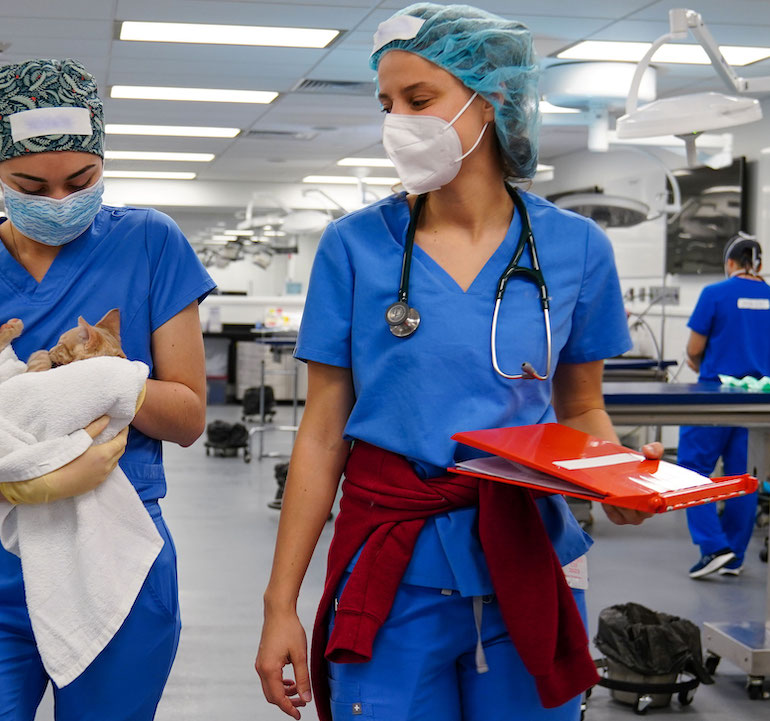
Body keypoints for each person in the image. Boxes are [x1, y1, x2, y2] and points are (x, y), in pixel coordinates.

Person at [255, 6, 660, 721]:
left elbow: (581, 407)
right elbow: (321, 435)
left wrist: (616, 475)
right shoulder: (355, 248)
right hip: (393, 566)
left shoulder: (576, 248)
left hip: (530, 558)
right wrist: (279, 602)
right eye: (387, 105)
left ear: (493, 98)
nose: (398, 123)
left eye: (419, 100)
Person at [0, 58, 214, 721]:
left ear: (101, 160)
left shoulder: (151, 244)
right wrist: (27, 484)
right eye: (32, 183)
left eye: (82, 179)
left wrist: (107, 380)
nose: (61, 201)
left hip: (116, 541)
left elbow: (186, 417)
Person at [681, 234, 770, 579]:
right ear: (759, 264)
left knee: (691, 471)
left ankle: (714, 547)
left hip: (713, 400)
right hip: (756, 404)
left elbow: (693, 348)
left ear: (730, 263)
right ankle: (734, 557)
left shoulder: (714, 295)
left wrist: (700, 360)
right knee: (743, 477)